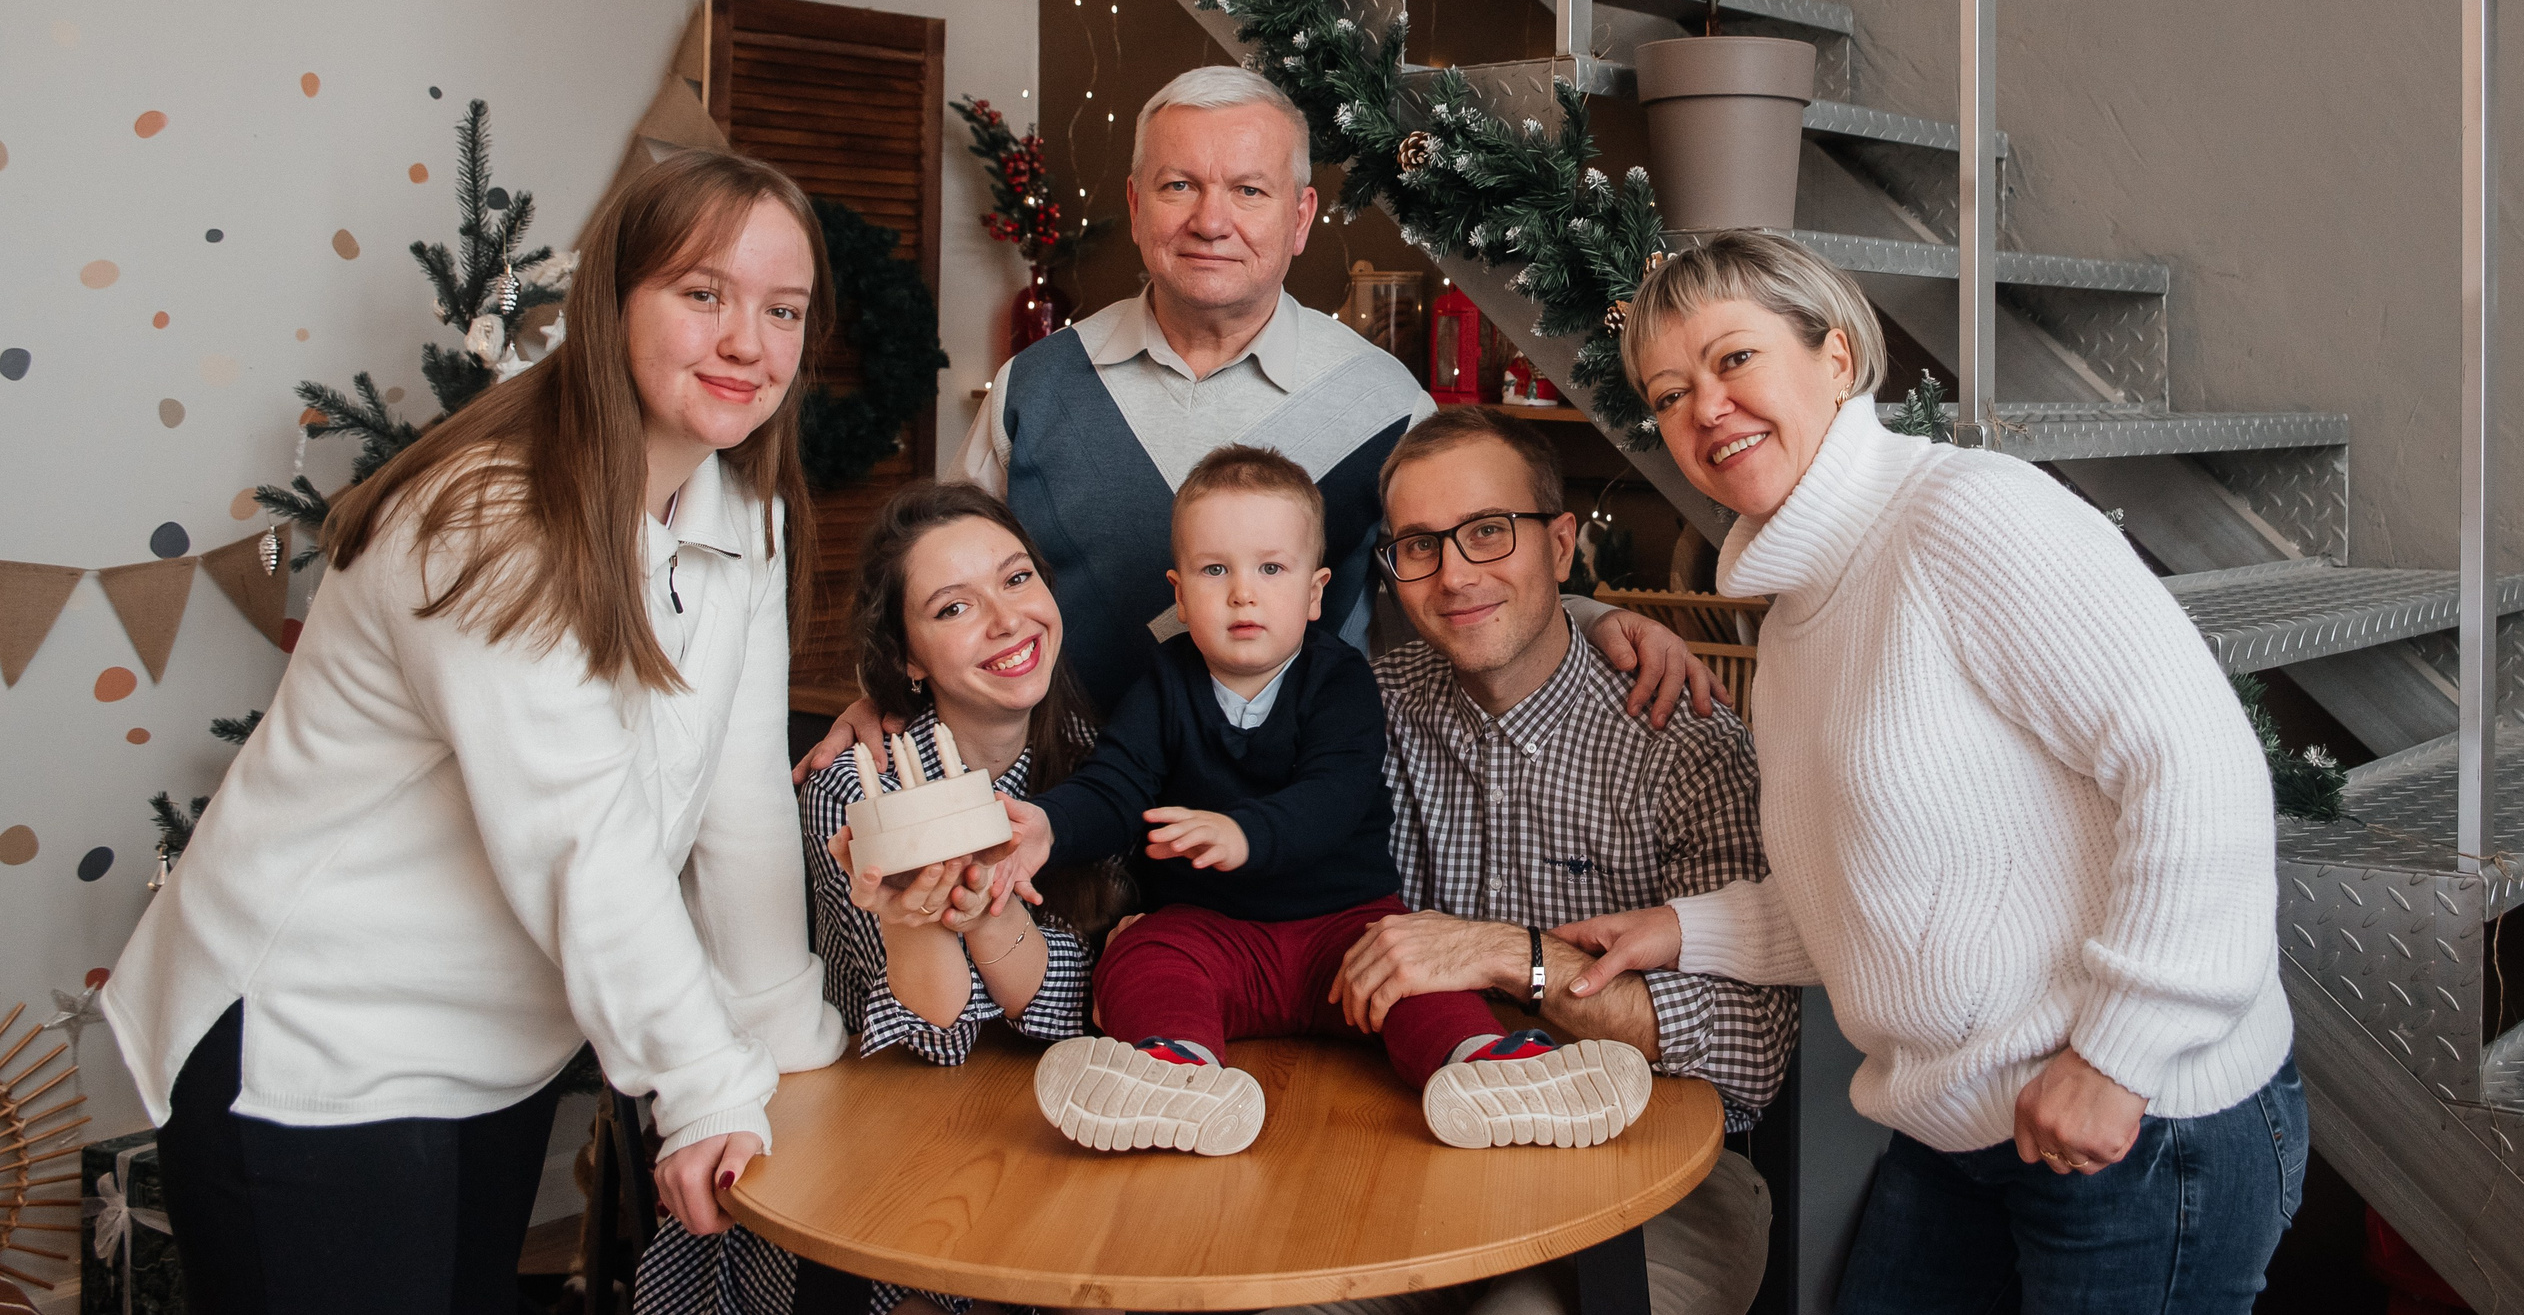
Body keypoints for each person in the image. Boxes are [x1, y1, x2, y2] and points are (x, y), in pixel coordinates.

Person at [104, 150, 849, 1313]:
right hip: (315, 1047)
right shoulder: (486, 515)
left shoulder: (739, 508)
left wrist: (782, 1047)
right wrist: (703, 1085)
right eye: (703, 293)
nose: (748, 341)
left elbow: (741, 802)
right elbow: (582, 841)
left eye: (782, 308)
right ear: (611, 303)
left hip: (490, 1053)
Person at [1558, 233, 2303, 1315]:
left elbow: (2197, 766)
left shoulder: (1963, 515)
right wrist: (1681, 928)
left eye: (1733, 359)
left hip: (2139, 1126)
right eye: (1669, 392)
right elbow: (1878, 883)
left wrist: (2119, 1053)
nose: (1704, 407)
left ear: (1839, 357)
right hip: (1959, 1125)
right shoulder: (1805, 598)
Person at [803, 65, 1717, 780]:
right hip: (1066, 806)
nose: (1211, 220)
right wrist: (880, 697)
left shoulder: (1383, 400)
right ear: (1134, 206)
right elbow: (939, 588)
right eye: (1177, 186)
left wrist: (1591, 615)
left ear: (1301, 217)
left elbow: (1467, 563)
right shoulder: (1033, 388)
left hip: (1297, 814)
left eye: (1248, 190)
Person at [1280, 407, 1798, 1315]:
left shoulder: (1684, 740)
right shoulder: (1364, 714)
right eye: (1419, 545)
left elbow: (1753, 1057)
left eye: (1488, 532)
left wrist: (1511, 954)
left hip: (1645, 1178)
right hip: (1404, 1140)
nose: (1454, 575)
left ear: (1560, 546)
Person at [1001, 445, 1650, 1156]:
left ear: (1314, 594)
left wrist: (1244, 834)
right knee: (1144, 953)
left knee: (1419, 971)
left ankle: (1488, 1065)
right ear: (1180, 594)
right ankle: (1176, 1071)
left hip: (1345, 931)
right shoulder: (1163, 683)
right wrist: (1049, 824)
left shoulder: (1339, 679)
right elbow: (1115, 783)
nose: (1243, 593)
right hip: (1212, 929)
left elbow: (1334, 795)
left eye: (1270, 568)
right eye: (1216, 570)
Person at [636, 480, 1126, 1315]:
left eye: (1016, 579)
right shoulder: (852, 792)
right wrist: (934, 922)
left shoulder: (1104, 769)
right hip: (883, 1148)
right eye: (951, 608)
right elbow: (935, 1037)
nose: (1008, 621)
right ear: (906, 657)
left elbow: (1092, 1004)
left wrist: (989, 909)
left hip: (1058, 1138)